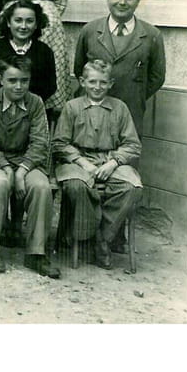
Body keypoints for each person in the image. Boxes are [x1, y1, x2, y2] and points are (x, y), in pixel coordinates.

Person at [0, 56, 59, 279]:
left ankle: (36, 253)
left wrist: (21, 170)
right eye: (12, 80)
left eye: (24, 80)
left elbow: (40, 142)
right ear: (1, 79)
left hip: (25, 161)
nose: (19, 86)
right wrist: (6, 167)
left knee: (41, 187)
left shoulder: (35, 103)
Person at [53, 60, 142, 269]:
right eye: (92, 81)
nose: (97, 87)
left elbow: (132, 144)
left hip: (110, 161)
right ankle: (88, 236)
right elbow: (59, 143)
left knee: (132, 188)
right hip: (77, 161)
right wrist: (83, 163)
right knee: (76, 187)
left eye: (103, 82)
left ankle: (102, 238)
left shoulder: (120, 108)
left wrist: (113, 163)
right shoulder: (72, 107)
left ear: (110, 83)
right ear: (82, 82)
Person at [73, 0, 166, 137]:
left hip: (130, 113)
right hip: (91, 111)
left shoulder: (152, 35)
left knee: (126, 152)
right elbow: (79, 69)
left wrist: (135, 96)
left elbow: (156, 77)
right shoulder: (90, 31)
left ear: (138, 0)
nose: (122, 2)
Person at [0, 0, 57, 122]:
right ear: (8, 22)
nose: (23, 26)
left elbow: (50, 85)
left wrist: (27, 103)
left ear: (36, 24)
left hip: (30, 114)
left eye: (29, 21)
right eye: (18, 20)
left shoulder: (44, 51)